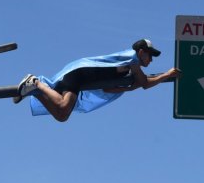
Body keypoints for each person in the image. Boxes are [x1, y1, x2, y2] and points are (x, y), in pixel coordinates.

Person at [14, 39, 181, 122]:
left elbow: (110, 89)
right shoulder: (132, 59)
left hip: (79, 80)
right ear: (141, 52)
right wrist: (167, 74)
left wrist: (130, 88)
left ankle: (35, 89)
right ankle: (36, 82)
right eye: (150, 56)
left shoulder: (127, 69)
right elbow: (144, 83)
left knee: (62, 115)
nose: (150, 60)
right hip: (78, 73)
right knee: (63, 108)